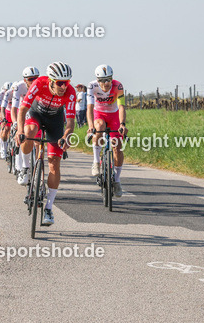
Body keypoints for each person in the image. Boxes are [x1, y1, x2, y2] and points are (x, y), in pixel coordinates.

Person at [16, 62, 76, 226]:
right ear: (50, 81)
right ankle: (26, 169)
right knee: (29, 133)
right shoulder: (38, 84)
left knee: (54, 165)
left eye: (67, 82)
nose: (64, 86)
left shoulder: (70, 93)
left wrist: (66, 136)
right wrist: (19, 131)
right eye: (60, 83)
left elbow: (70, 122)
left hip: (55, 121)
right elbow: (22, 110)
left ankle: (49, 208)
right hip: (36, 113)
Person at [86, 65, 127, 197]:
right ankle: (96, 162)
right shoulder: (92, 86)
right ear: (97, 80)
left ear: (112, 79)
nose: (105, 84)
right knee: (99, 128)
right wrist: (90, 126)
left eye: (108, 80)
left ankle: (117, 180)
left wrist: (122, 124)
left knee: (118, 147)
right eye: (102, 81)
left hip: (114, 115)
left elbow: (121, 107)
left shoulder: (118, 86)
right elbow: (90, 107)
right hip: (99, 114)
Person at [11, 66, 40, 180]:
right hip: (22, 112)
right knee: (22, 137)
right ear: (24, 80)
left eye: (35, 79)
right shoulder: (19, 87)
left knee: (38, 143)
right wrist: (15, 123)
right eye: (30, 79)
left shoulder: (41, 86)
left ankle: (37, 168)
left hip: (36, 113)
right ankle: (23, 167)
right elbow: (14, 109)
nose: (33, 82)